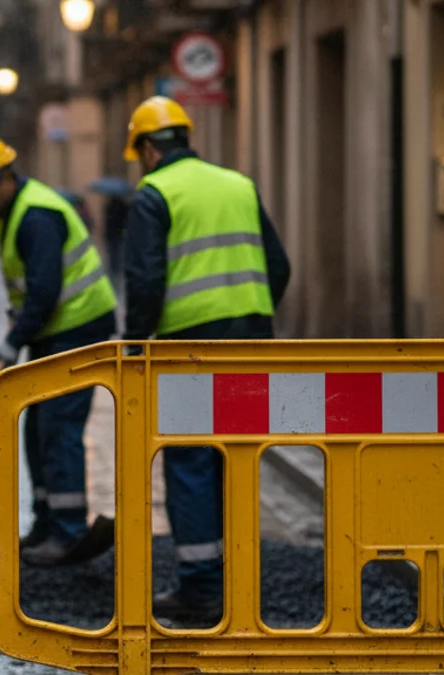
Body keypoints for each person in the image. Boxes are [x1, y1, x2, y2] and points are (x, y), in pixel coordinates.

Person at [122, 96, 291, 622]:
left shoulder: (155, 194)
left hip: (188, 345)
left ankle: (201, 588)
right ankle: (240, 577)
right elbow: (278, 265)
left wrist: (135, 340)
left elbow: (146, 280)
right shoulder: (238, 184)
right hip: (250, 338)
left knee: (191, 459)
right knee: (235, 455)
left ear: (149, 149)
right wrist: (250, 314)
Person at [0, 134, 119, 567]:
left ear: (3, 179)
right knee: (35, 427)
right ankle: (46, 522)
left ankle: (68, 532)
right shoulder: (15, 212)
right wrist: (20, 330)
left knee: (58, 427)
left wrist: (13, 340)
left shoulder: (37, 216)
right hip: (54, 331)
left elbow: (45, 291)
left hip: (77, 327)